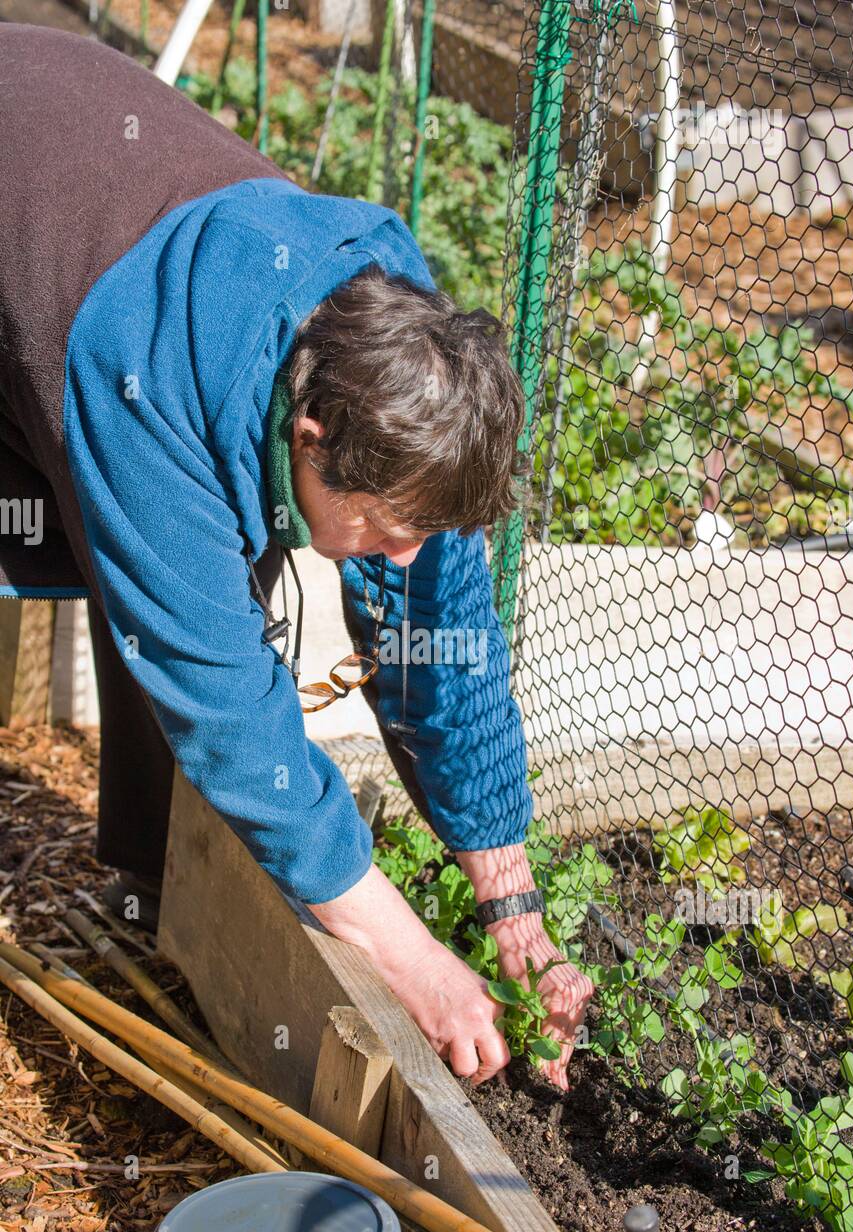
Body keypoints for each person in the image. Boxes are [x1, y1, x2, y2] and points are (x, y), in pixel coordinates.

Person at [0, 24, 592, 1090]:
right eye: (385, 526)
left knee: (211, 566)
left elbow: (435, 637)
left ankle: (152, 891)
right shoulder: (145, 381)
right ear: (309, 437)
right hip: (36, 211)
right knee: (184, 582)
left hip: (71, 155)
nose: (401, 554)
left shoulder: (399, 342)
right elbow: (226, 702)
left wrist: (512, 911)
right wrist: (410, 958)